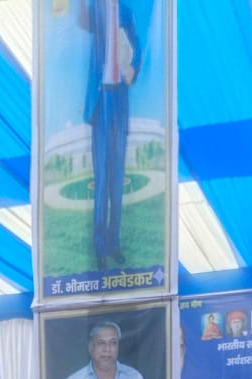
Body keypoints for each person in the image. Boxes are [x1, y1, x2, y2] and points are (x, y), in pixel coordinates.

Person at [80, 0, 141, 269]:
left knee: (117, 180)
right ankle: (99, 246)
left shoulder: (125, 9)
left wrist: (133, 68)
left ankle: (113, 244)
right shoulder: (95, 7)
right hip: (100, 98)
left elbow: (137, 47)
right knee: (102, 179)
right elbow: (83, 22)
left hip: (119, 99)